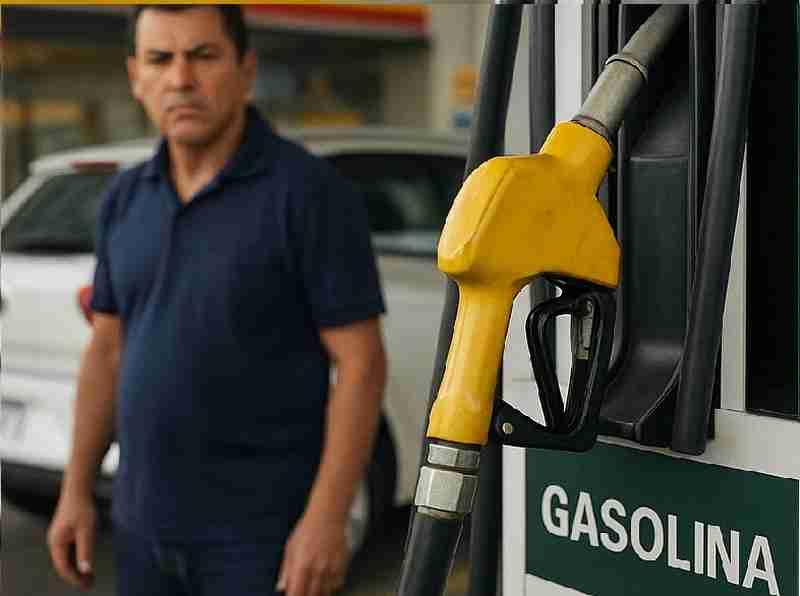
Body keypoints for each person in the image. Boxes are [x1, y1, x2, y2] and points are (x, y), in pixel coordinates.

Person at [46, 6, 387, 596]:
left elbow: (362, 364)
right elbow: (106, 351)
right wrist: (75, 490)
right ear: (135, 76)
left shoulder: (310, 194)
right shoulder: (125, 197)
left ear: (246, 70)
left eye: (203, 56)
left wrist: (327, 519)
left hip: (262, 540)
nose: (181, 79)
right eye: (160, 59)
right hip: (141, 527)